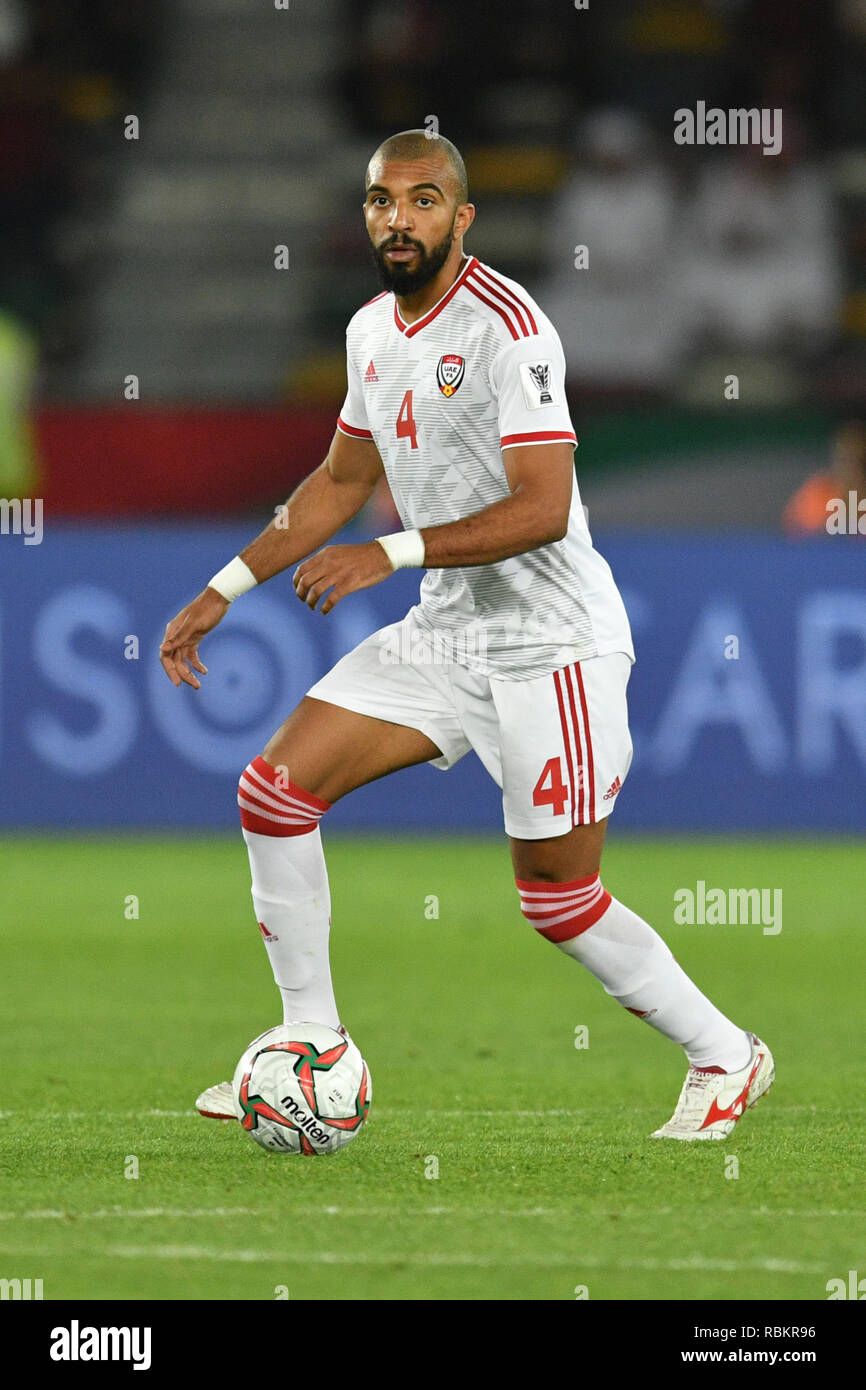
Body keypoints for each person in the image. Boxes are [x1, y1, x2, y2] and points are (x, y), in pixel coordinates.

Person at [159, 129, 773, 1141]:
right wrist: (225, 585)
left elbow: (540, 505)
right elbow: (340, 484)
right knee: (273, 792)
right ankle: (310, 1044)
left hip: (550, 646)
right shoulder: (368, 332)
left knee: (557, 899)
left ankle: (722, 1051)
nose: (397, 219)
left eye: (422, 200)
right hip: (447, 633)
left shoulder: (507, 327)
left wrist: (387, 555)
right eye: (379, 201)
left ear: (462, 216)